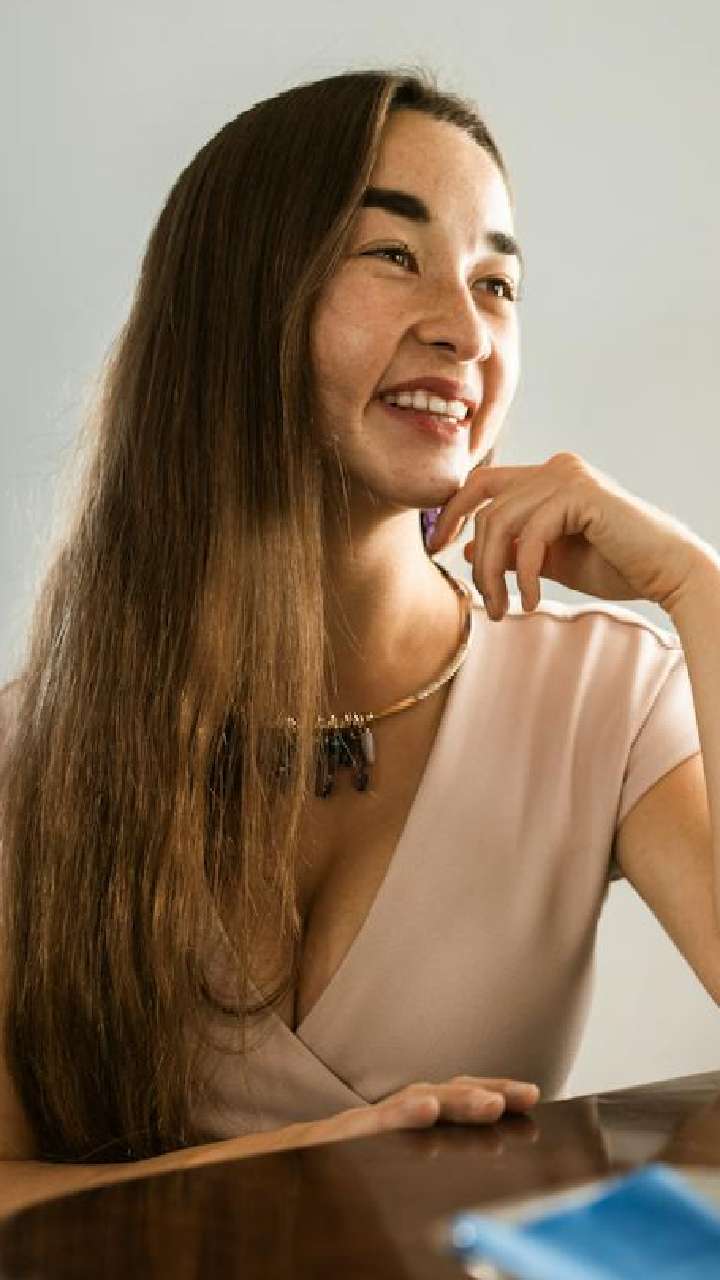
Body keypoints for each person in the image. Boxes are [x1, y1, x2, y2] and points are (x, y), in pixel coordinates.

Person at [1, 66, 717, 1207]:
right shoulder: (32, 754)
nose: (466, 330)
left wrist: (696, 584)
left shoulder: (608, 697)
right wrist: (302, 1168)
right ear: (239, 296)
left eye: (497, 283)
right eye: (394, 253)